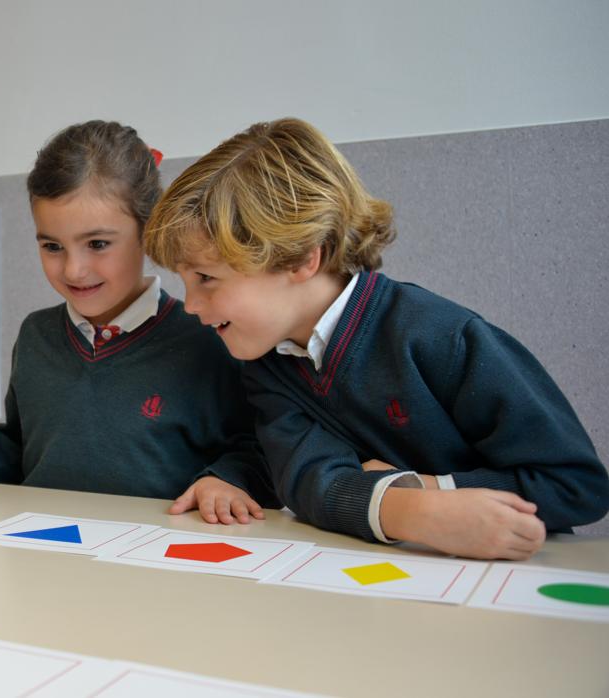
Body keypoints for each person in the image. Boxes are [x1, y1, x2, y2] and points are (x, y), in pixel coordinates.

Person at [144, 117, 609, 559]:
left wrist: (425, 492)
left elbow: (576, 484)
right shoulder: (269, 363)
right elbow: (309, 480)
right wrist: (404, 510)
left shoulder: (442, 337)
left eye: (206, 278)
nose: (190, 305)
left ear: (302, 259)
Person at [0, 120, 276, 523]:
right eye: (52, 246)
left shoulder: (207, 337)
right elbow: (22, 443)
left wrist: (226, 479)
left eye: (98, 244)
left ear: (149, 230)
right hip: (41, 554)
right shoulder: (36, 335)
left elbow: (257, 449)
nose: (74, 269)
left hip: (151, 563)